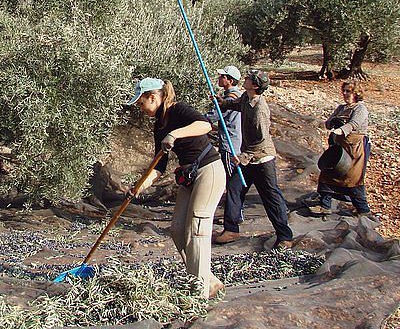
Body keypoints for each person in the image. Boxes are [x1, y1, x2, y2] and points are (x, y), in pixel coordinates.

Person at [126, 77, 226, 299]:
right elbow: (158, 165)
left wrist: (176, 134)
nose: (140, 109)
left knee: (197, 228)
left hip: (209, 170)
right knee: (178, 229)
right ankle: (207, 280)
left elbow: (205, 125)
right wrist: (138, 187)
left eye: (141, 103)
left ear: (153, 97)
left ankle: (198, 292)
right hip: (190, 176)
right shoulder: (159, 125)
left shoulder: (178, 110)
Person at [213, 70, 294, 249]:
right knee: (235, 189)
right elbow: (234, 104)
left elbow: (261, 139)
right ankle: (231, 229)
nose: (246, 79)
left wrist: (244, 157)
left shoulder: (260, 110)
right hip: (248, 159)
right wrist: (222, 103)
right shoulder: (245, 98)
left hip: (262, 159)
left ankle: (284, 236)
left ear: (255, 86)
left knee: (271, 197)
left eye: (249, 79)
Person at [311, 80, 371, 216]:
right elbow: (328, 123)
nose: (345, 94)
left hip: (355, 148)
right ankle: (324, 205)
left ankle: (363, 210)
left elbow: (354, 124)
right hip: (339, 147)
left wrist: (341, 130)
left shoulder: (360, 108)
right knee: (327, 173)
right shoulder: (341, 108)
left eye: (348, 91)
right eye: (343, 91)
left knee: (352, 178)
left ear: (356, 93)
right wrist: (330, 123)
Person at [204, 66, 244, 245]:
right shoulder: (235, 96)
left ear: (230, 80)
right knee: (233, 182)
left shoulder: (231, 97)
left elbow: (214, 116)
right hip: (234, 143)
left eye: (222, 76)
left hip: (230, 146)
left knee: (232, 183)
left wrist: (196, 120)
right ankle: (236, 216)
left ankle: (233, 222)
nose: (219, 78)